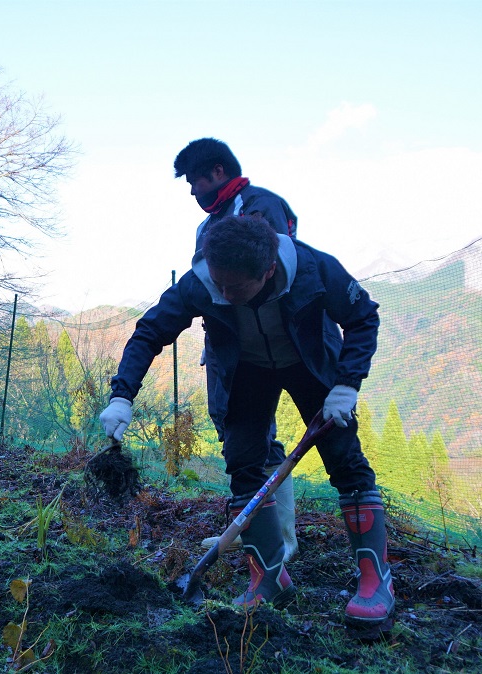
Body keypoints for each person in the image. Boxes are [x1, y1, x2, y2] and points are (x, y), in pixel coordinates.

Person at [100, 215, 394, 627]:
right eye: (217, 283)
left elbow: (363, 317)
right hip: (245, 370)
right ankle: (270, 580)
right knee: (243, 464)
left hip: (309, 365)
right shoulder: (202, 280)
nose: (222, 294)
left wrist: (347, 384)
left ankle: (375, 581)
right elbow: (150, 331)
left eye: (235, 287)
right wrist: (121, 396)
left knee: (347, 463)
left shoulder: (314, 270)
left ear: (269, 270)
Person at [174, 138, 299, 558]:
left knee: (258, 436)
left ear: (218, 172)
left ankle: (279, 535)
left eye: (195, 181)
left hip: (264, 346)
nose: (192, 191)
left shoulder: (261, 206)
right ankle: (252, 527)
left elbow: (279, 271)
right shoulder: (208, 226)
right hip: (223, 343)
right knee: (231, 429)